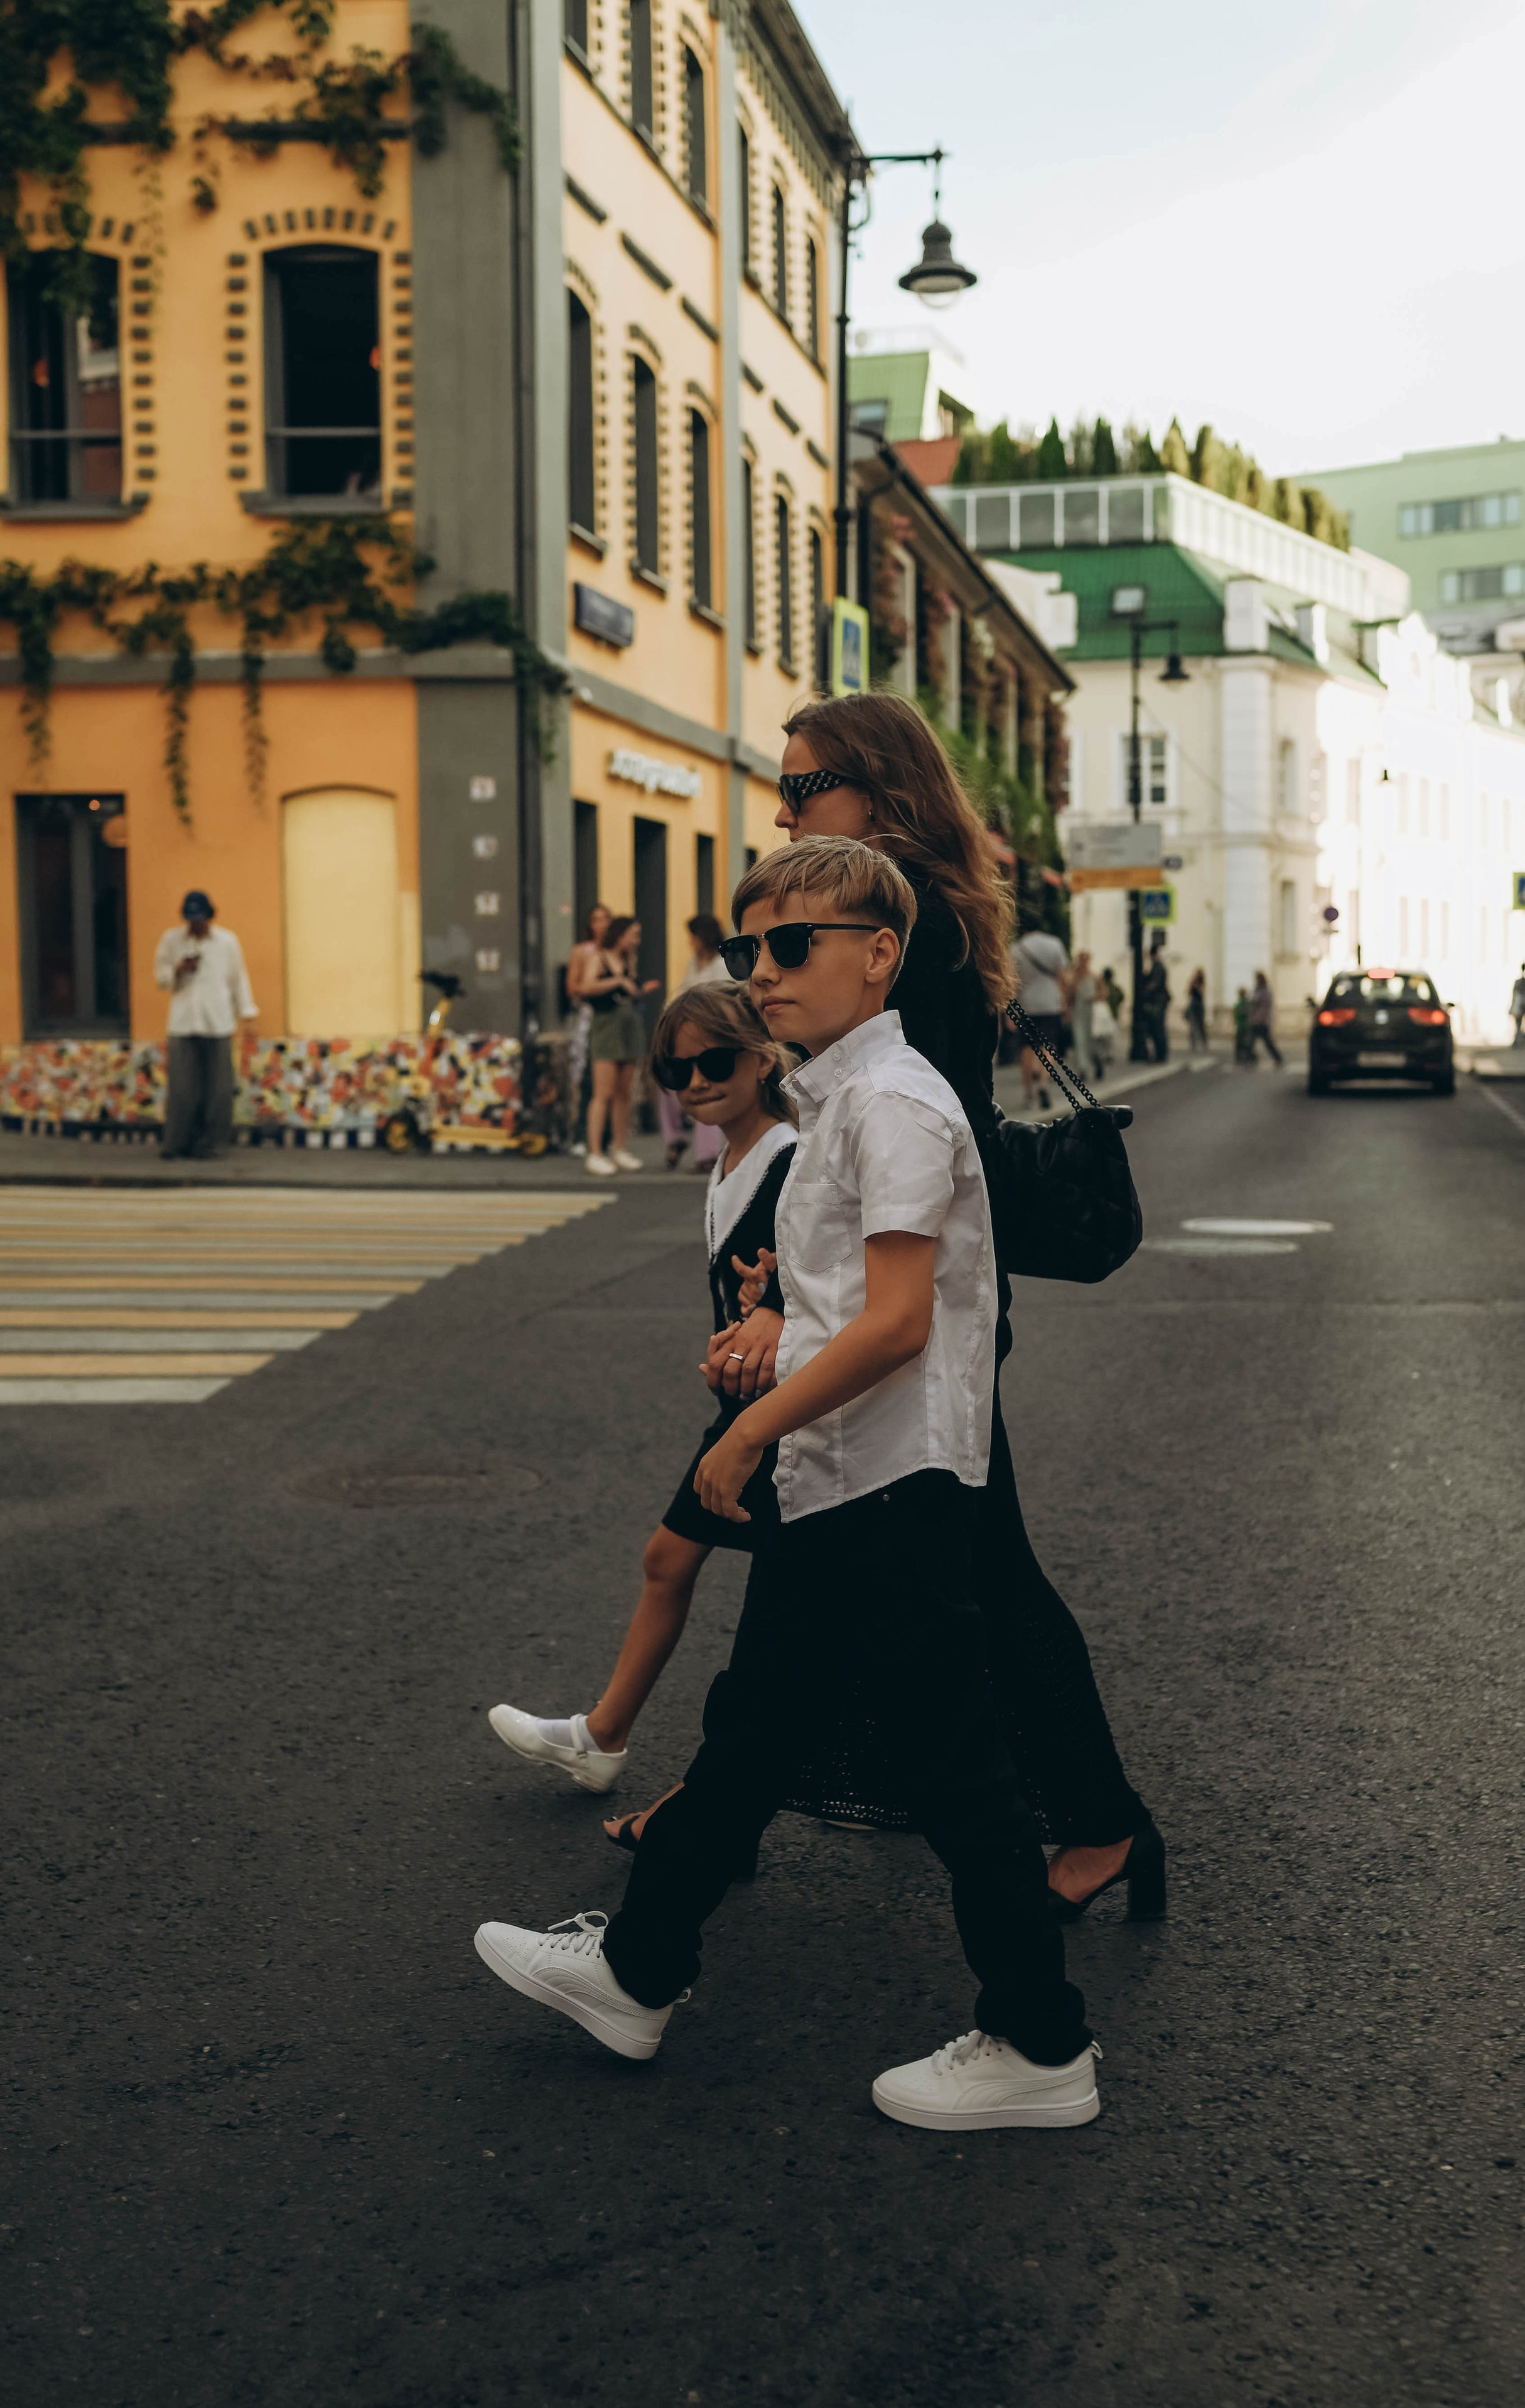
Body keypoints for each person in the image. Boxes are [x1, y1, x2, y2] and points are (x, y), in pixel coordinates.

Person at [475, 837, 1104, 2129]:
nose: (760, 972)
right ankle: (638, 1970)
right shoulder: (841, 1097)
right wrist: (775, 1325)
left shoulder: (894, 1104)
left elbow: (897, 1322)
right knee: (755, 1727)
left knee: (957, 1769)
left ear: (878, 954)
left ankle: (1039, 2043)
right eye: (746, 945)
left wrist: (749, 1424)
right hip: (849, 1475)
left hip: (889, 1479)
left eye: (790, 945)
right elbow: (849, 1307)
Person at [755, 691, 1158, 1918]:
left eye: (804, 789)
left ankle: (1091, 1824)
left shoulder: (897, 920)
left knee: (967, 1564)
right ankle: (746, 1792)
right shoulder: (916, 902)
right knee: (892, 1553)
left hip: (910, 1286)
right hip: (915, 1278)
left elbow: (906, 1123)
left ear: (873, 787)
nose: (785, 813)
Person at [488, 981, 796, 1822]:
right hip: (747, 1408)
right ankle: (605, 1736)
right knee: (681, 1564)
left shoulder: (789, 1157)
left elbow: (828, 1281)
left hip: (787, 1420)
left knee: (818, 1621)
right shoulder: (732, 1157)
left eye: (714, 1061)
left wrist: (772, 1310)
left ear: (763, 1055)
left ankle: (669, 1781)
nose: (693, 1081)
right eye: (674, 1069)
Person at [154, 890, 257, 1160]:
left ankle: (210, 1144)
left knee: (219, 1089)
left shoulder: (227, 942)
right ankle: (177, 1143)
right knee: (182, 1089)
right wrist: (177, 970)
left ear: (210, 917)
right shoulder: (171, 940)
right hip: (183, 1022)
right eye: (190, 919)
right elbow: (160, 977)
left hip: (218, 1021)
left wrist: (248, 1014)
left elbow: (238, 979)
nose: (195, 925)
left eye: (200, 919)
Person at [578, 915, 659, 1175]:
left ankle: (619, 1147)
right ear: (620, 934)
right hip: (607, 1027)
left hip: (628, 1024)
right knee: (603, 1093)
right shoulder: (598, 957)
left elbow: (628, 991)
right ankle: (594, 1152)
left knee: (624, 1092)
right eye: (633, 935)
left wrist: (637, 990)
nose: (637, 940)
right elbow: (586, 986)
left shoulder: (628, 959)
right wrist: (618, 982)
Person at [658, 915, 732, 1170]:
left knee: (706, 1086)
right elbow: (683, 995)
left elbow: (728, 1001)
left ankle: (707, 1154)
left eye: (692, 936)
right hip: (687, 1034)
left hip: (714, 1034)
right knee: (667, 1085)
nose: (690, 941)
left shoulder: (722, 965)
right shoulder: (694, 963)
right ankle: (675, 1138)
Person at [564, 902, 613, 1157]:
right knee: (586, 1076)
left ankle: (606, 1136)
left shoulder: (617, 951)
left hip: (612, 1015)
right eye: (596, 919)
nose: (601, 924)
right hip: (589, 1015)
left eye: (606, 919)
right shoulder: (582, 952)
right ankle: (581, 1133)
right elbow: (573, 986)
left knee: (610, 1081)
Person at [1010, 909, 1069, 1110]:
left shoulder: (1016, 949)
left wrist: (1011, 1013)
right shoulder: (1055, 944)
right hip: (1050, 1003)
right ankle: (1044, 1082)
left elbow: (1013, 982)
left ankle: (1029, 1092)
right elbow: (1063, 976)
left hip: (1026, 1006)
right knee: (1049, 1045)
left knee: (1027, 1048)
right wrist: (1065, 1003)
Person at [1067, 951, 1099, 1085]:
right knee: (1079, 1040)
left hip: (1091, 1012)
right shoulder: (1074, 977)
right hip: (1078, 1012)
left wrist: (1093, 996)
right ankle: (1083, 1067)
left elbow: (1103, 993)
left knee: (1090, 1041)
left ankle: (1097, 1061)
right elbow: (1070, 996)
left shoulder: (1095, 976)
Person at [1136, 946, 1170, 1063]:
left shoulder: (1158, 968)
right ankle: (1161, 1054)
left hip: (1158, 1001)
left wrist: (1145, 992)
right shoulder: (1157, 967)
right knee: (1157, 1028)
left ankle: (1161, 1055)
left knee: (1158, 1028)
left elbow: (1154, 984)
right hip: (1159, 1001)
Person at [1246, 969, 1282, 1066]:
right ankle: (1252, 1057)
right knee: (1255, 1041)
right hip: (1259, 1021)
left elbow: (1256, 1003)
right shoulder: (1262, 990)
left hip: (1260, 1021)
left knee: (1263, 1042)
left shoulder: (1263, 991)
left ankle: (1277, 1057)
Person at [1185, 968, 1209, 1054]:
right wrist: (1191, 985)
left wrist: (1197, 987)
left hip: (1199, 1005)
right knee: (1192, 1026)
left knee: (1201, 1025)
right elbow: (1188, 993)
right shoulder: (1193, 981)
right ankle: (1192, 1044)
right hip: (1193, 1005)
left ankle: (1204, 1042)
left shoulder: (1202, 982)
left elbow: (1202, 992)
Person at [1232, 985, 1251, 1063]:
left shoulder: (1237, 1005)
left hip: (1240, 1026)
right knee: (1246, 1042)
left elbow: (1235, 1017)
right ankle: (1248, 1056)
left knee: (1239, 1043)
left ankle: (1238, 1057)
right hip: (1247, 1026)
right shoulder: (1248, 1004)